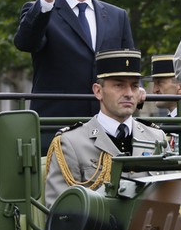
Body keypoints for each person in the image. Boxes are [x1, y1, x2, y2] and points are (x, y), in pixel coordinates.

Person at [14, 0, 134, 119]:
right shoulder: (42, 10)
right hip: (57, 128)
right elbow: (25, 42)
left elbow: (128, 67)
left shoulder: (117, 16)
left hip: (107, 127)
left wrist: (137, 89)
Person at [45, 49, 168, 207]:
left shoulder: (156, 137)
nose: (129, 93)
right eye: (119, 85)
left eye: (134, 86)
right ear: (98, 91)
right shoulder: (71, 143)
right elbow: (61, 214)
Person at [150, 54, 181, 154]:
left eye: (159, 83)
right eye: (154, 84)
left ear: (180, 87)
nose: (154, 90)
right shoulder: (169, 121)